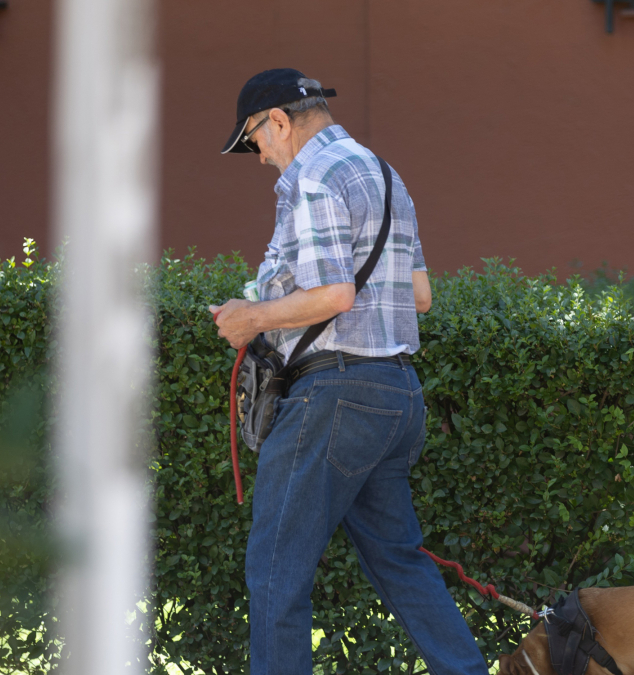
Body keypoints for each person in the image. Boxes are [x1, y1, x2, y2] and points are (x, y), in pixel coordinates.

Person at [209, 68, 489, 675]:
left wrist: (251, 317)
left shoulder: (310, 178)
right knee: (400, 560)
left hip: (333, 395)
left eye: (255, 141)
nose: (260, 158)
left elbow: (335, 294)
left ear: (278, 121)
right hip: (396, 395)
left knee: (276, 568)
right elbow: (420, 295)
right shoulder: (384, 174)